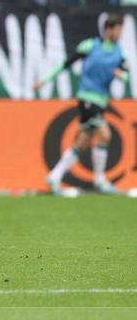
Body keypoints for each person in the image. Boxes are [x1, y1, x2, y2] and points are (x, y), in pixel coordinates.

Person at [34, 14, 128, 195]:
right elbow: (65, 64)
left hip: (101, 101)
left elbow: (126, 74)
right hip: (87, 97)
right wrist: (45, 80)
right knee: (105, 135)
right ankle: (99, 180)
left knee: (83, 142)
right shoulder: (90, 46)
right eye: (118, 29)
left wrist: (120, 75)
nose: (120, 33)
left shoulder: (119, 53)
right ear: (109, 29)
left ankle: (54, 175)